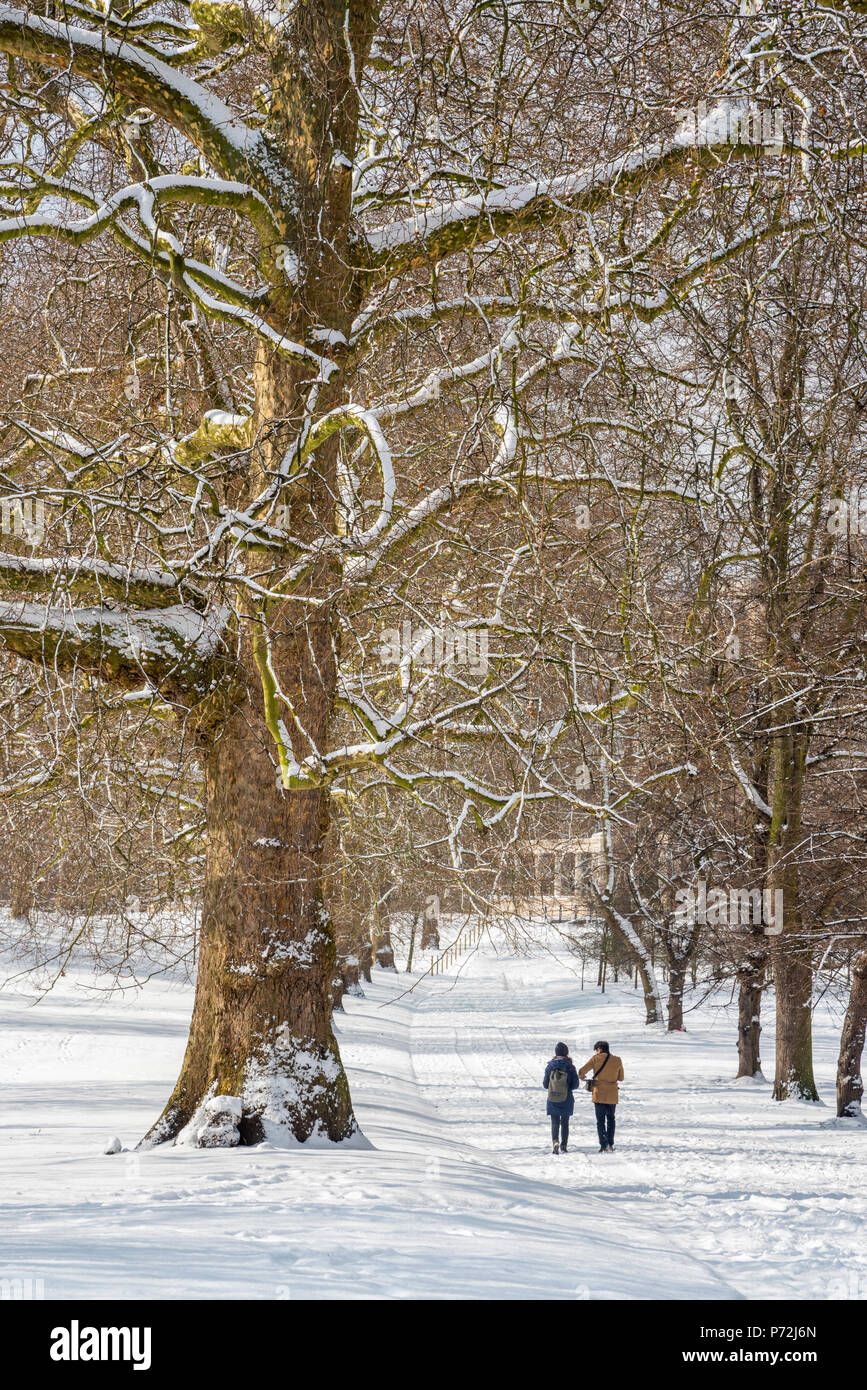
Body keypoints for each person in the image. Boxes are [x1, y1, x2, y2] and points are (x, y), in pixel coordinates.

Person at [578, 1040, 624, 1153]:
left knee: (600, 1121)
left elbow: (581, 1071)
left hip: (599, 1093)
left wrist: (583, 1077)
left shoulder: (595, 1058)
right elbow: (621, 1077)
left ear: (599, 1049)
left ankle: (603, 1146)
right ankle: (610, 1144)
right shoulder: (617, 1060)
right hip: (612, 1094)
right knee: (611, 1119)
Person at [543, 1041, 579, 1154]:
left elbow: (545, 1084)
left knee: (554, 1122)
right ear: (566, 1053)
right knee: (565, 1122)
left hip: (553, 1097)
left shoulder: (550, 1066)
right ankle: (564, 1145)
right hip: (566, 1098)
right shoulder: (570, 1067)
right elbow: (575, 1085)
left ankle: (555, 1142)